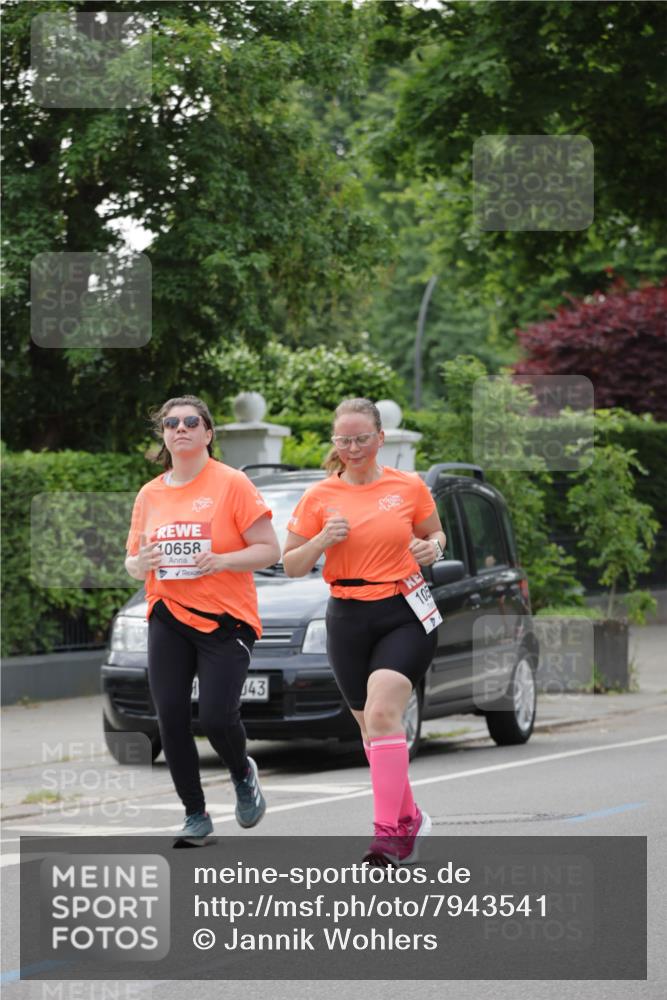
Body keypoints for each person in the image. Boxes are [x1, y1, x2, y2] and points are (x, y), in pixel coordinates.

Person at [283, 398, 446, 865]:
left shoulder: (408, 486)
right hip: (347, 616)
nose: (353, 448)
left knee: (382, 714)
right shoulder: (319, 496)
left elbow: (436, 534)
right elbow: (291, 565)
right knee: (371, 730)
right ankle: (410, 817)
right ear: (334, 442)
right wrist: (321, 540)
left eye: (361, 439)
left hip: (404, 610)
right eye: (344, 440)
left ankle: (387, 835)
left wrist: (433, 548)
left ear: (380, 438)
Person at [125, 395, 281, 846]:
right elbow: (132, 561)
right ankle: (195, 814)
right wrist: (140, 563)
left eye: (191, 421)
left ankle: (242, 772)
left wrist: (223, 560)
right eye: (171, 423)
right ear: (164, 435)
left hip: (226, 619)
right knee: (171, 718)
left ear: (208, 433)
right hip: (168, 613)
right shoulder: (150, 494)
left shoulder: (232, 483)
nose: (181, 428)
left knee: (215, 716)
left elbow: (269, 550)